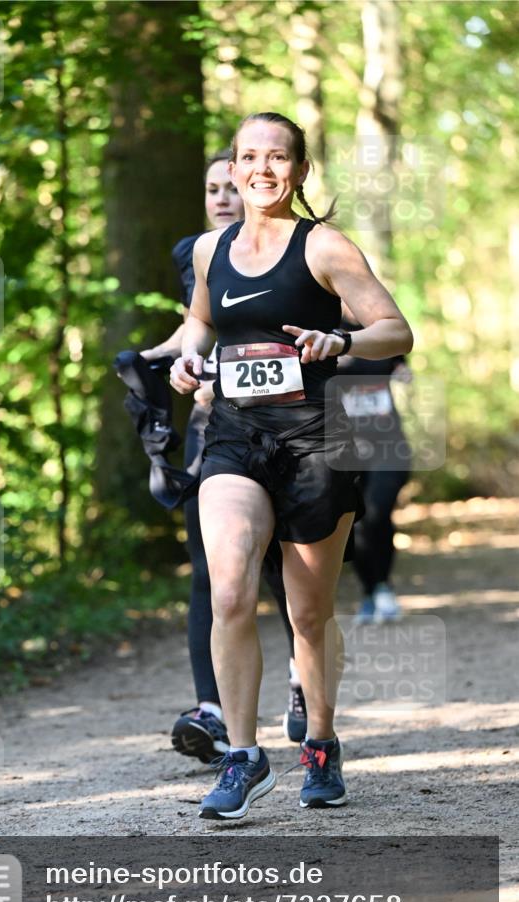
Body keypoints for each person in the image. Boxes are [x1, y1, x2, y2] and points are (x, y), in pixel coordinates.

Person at [170, 112, 413, 820]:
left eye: (277, 157)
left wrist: (337, 340)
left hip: (315, 442)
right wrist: (189, 357)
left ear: (300, 171)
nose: (261, 169)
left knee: (308, 616)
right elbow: (201, 321)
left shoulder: (324, 245)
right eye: (249, 156)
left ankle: (320, 742)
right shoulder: (212, 251)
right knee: (228, 589)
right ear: (235, 166)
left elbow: (395, 330)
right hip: (235, 440)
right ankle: (243, 757)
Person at [134, 152, 305, 763]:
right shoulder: (196, 253)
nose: (221, 197)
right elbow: (195, 324)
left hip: (290, 430)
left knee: (290, 570)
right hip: (217, 429)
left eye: (228, 185)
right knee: (214, 573)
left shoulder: (299, 249)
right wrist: (152, 358)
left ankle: (301, 677)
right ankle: (211, 708)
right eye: (211, 188)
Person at [335, 341, 412, 623]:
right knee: (354, 522)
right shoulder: (323, 324)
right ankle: (370, 592)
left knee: (377, 513)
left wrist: (403, 373)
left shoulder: (381, 326)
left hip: (389, 447)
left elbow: (400, 364)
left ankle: (383, 587)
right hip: (347, 450)